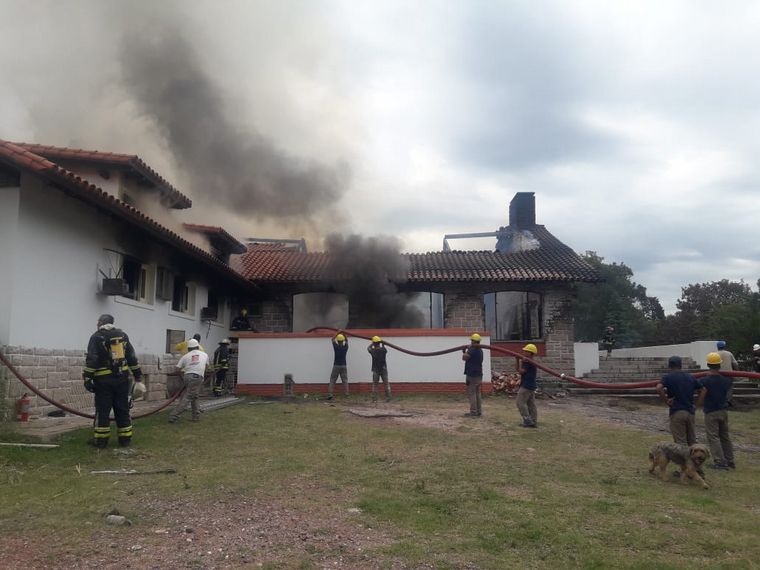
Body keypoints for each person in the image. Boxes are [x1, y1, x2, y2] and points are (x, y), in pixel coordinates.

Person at [83, 314, 142, 448]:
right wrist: (138, 375)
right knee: (122, 408)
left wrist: (87, 377)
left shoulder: (96, 337)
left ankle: (101, 441)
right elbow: (131, 357)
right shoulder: (123, 335)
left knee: (103, 410)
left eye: (98, 322)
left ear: (102, 322)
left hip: (103, 381)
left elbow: (93, 359)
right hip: (122, 379)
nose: (96, 324)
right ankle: (125, 439)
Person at [697, 352, 735, 470]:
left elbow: (700, 392)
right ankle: (730, 461)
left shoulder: (704, 381)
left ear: (708, 364)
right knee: (725, 436)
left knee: (713, 437)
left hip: (711, 411)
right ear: (719, 365)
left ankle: (719, 462)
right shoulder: (726, 381)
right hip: (723, 411)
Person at [656, 355, 705, 446]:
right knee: (692, 440)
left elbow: (659, 388)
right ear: (680, 365)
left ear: (669, 365)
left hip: (677, 411)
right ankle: (694, 459)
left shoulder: (668, 377)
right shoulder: (690, 377)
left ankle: (683, 460)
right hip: (690, 411)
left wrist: (666, 400)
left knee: (680, 442)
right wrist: (697, 404)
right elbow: (703, 390)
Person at [169, 339, 209, 423]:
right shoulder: (204, 355)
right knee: (189, 397)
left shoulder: (185, 356)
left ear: (189, 348)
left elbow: (177, 369)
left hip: (187, 376)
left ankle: (196, 416)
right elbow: (207, 367)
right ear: (198, 347)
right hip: (197, 377)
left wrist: (182, 375)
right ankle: (173, 415)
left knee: (194, 396)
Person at [517, 344, 539, 427]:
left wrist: (519, 361)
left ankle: (527, 420)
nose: (524, 352)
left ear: (530, 353)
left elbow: (520, 371)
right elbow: (519, 370)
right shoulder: (529, 361)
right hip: (531, 385)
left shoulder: (527, 362)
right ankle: (533, 421)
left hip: (526, 386)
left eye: (526, 351)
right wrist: (518, 360)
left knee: (519, 402)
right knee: (531, 404)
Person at [462, 333, 484, 417]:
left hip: (472, 375)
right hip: (478, 374)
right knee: (477, 393)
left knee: (472, 393)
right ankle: (478, 411)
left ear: (473, 341)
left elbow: (464, 358)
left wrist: (464, 351)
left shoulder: (472, 350)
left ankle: (473, 412)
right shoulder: (480, 350)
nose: (471, 342)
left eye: (471, 341)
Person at [368, 335, 391, 402]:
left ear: (374, 344)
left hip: (376, 370)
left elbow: (368, 348)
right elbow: (385, 349)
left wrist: (372, 343)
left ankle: (374, 399)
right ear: (379, 343)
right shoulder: (383, 350)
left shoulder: (373, 351)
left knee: (375, 385)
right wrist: (383, 344)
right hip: (383, 369)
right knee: (386, 384)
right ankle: (388, 398)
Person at [327, 333, 349, 400]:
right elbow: (347, 340)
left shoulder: (336, 347)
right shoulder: (345, 347)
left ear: (338, 341)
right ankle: (346, 393)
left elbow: (332, 339)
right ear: (343, 341)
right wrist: (344, 333)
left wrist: (337, 332)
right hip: (344, 365)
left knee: (332, 380)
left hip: (336, 365)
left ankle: (330, 394)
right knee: (345, 380)